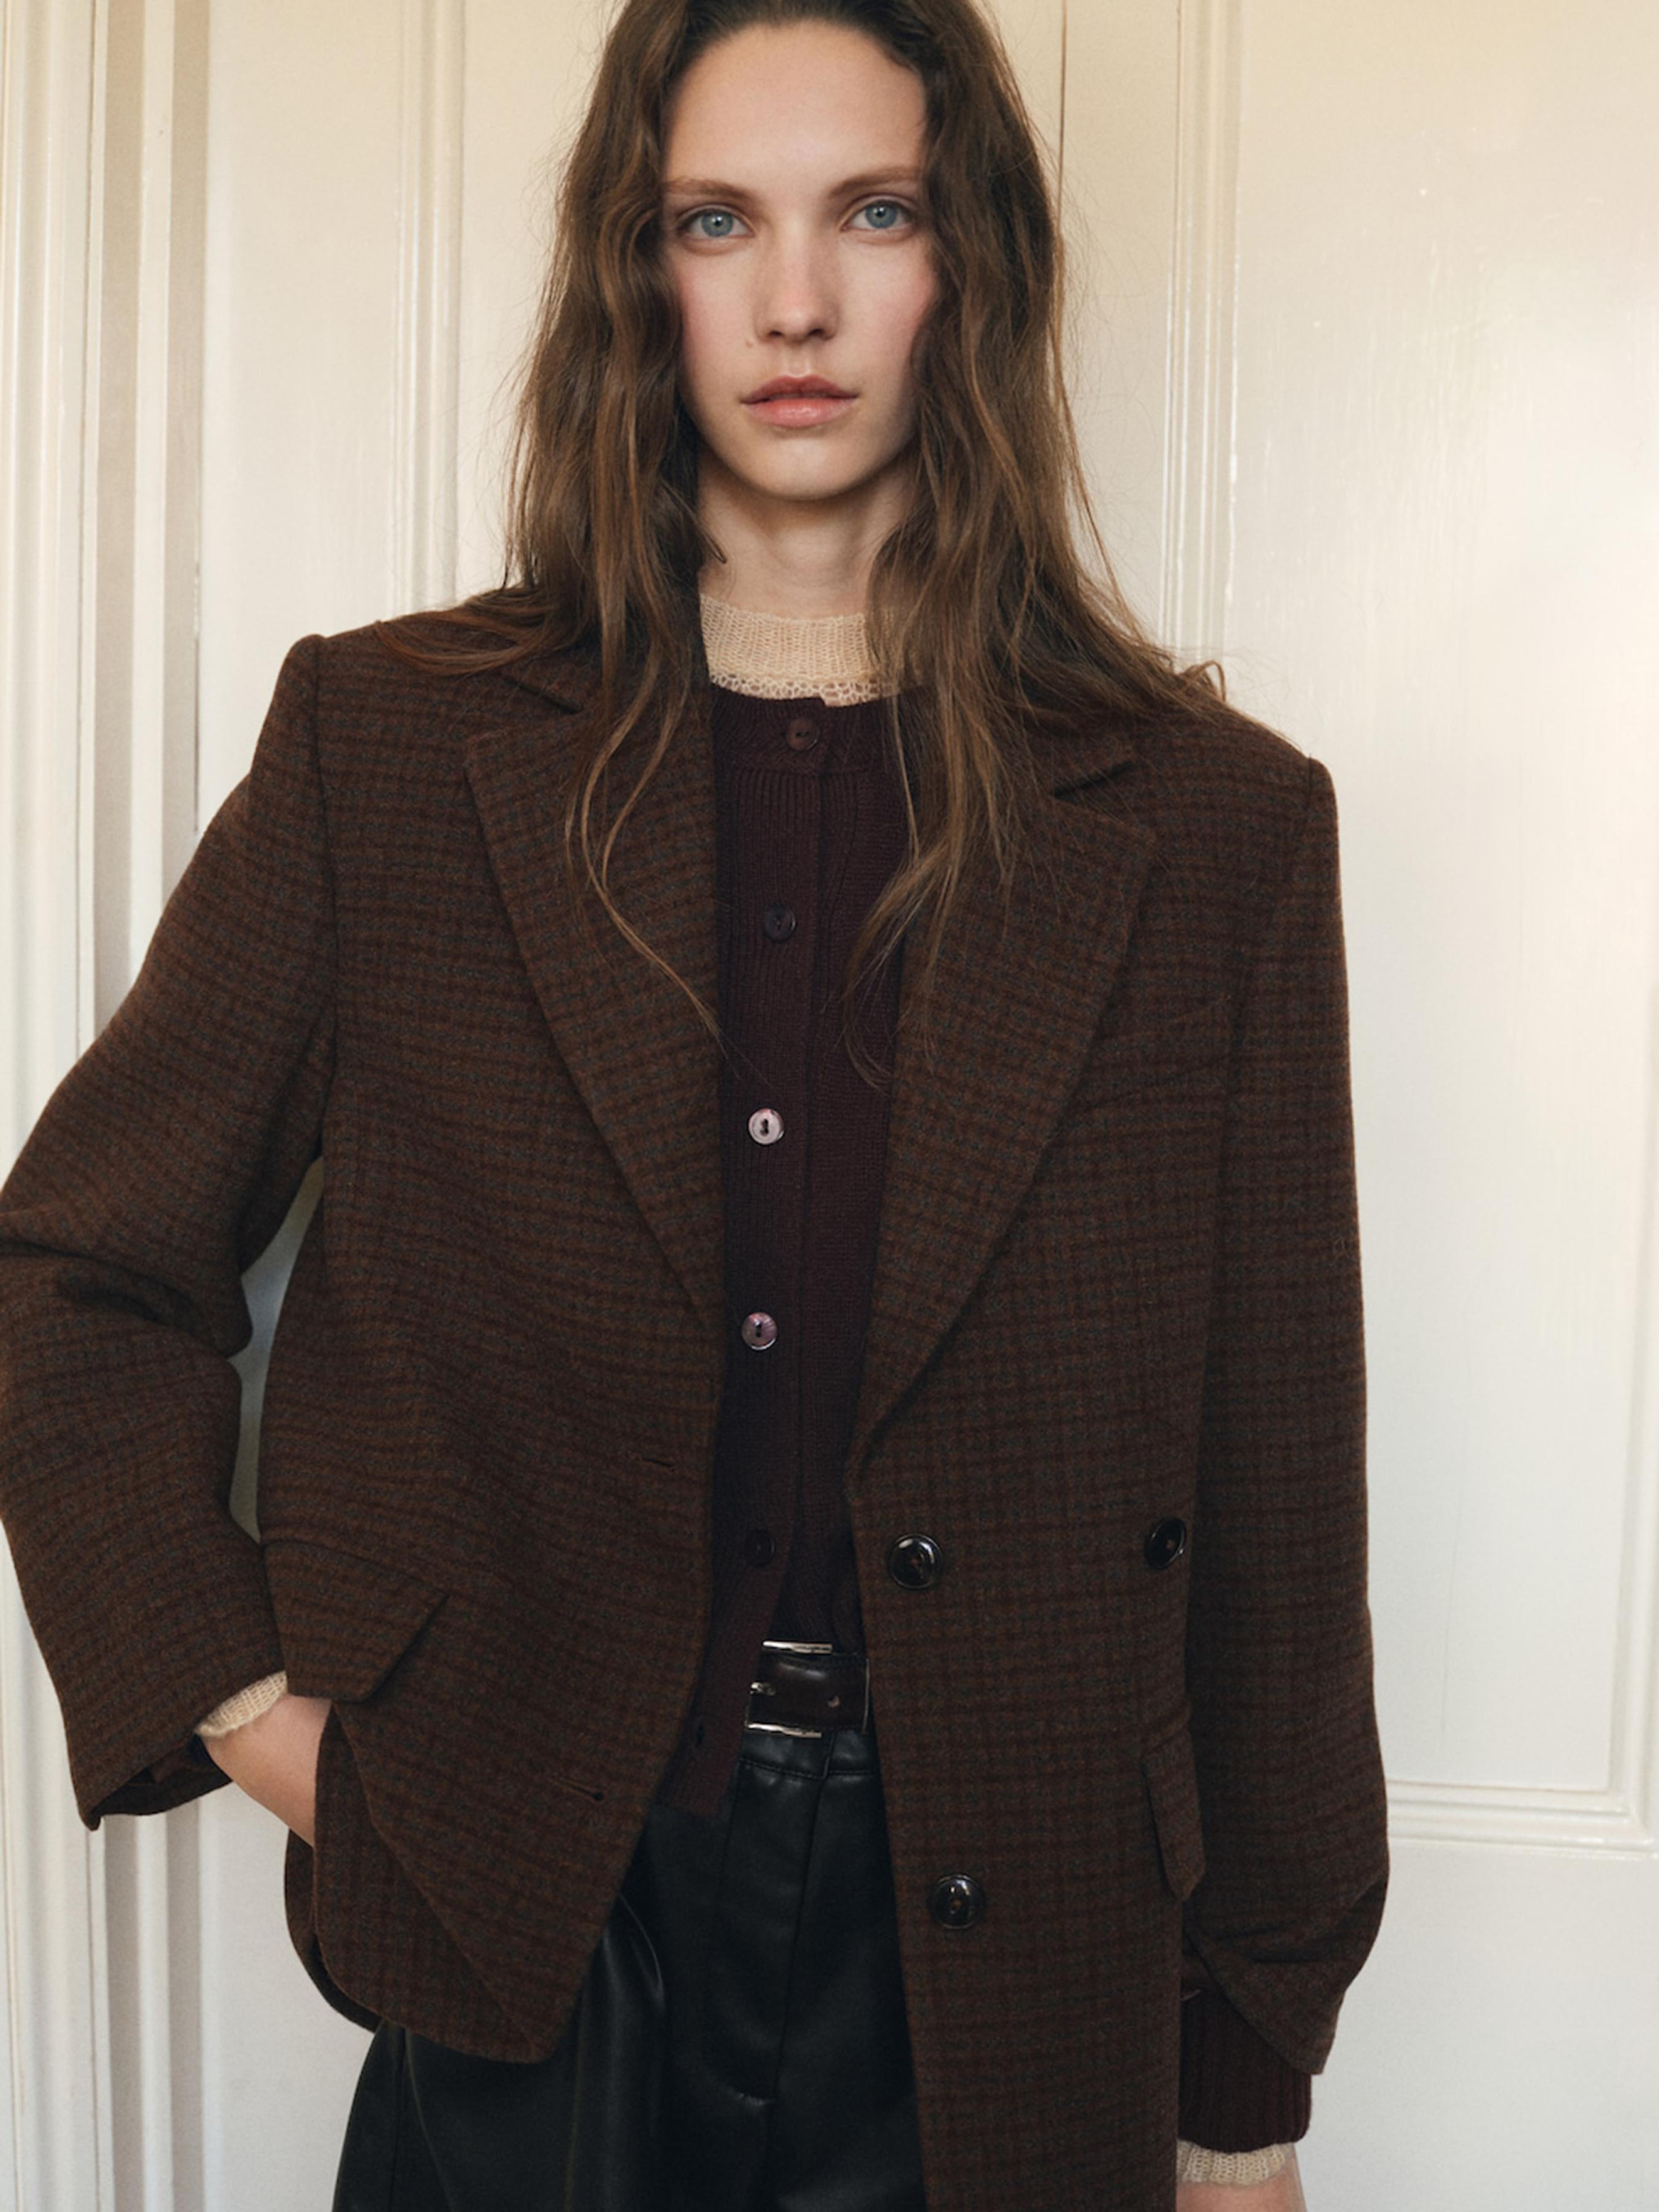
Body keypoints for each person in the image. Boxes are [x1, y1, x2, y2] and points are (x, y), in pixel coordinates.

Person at [0, 1, 1388, 2206]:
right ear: (632, 272)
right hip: (524, 1906)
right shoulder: (393, 750)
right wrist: (258, 1716)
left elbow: (1275, 1489)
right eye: (715, 220)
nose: (796, 300)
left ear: (972, 262)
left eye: (876, 213)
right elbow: (77, 1274)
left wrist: (1244, 2086)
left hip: (1021, 1949)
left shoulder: (1213, 831)